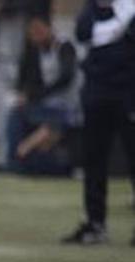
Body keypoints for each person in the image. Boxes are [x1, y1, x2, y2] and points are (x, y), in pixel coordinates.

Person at [61, 0, 135, 245]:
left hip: (128, 91)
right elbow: (83, 33)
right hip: (97, 90)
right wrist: (115, 29)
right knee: (94, 160)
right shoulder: (92, 8)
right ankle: (95, 223)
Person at [0, 13, 78, 176]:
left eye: (39, 31)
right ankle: (11, 159)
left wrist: (36, 96)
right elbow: (33, 80)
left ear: (49, 28)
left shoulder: (64, 47)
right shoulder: (40, 52)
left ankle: (13, 162)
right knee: (15, 109)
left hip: (66, 106)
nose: (36, 36)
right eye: (32, 33)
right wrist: (26, 95)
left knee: (18, 114)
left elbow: (65, 78)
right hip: (49, 104)